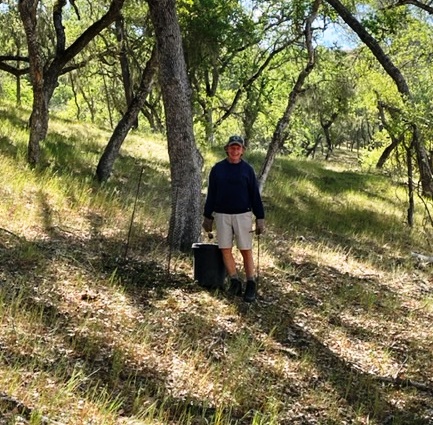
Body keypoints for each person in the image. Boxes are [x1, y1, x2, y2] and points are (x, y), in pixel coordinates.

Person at [202, 135, 265, 302]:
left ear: (242, 151)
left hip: (243, 214)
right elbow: (212, 194)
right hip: (222, 215)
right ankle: (234, 280)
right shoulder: (217, 169)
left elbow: (254, 195)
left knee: (245, 249)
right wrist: (207, 216)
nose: (235, 150)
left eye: (238, 148)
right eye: (232, 147)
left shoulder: (247, 170)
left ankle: (251, 282)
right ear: (227, 149)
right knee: (225, 248)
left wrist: (260, 217)